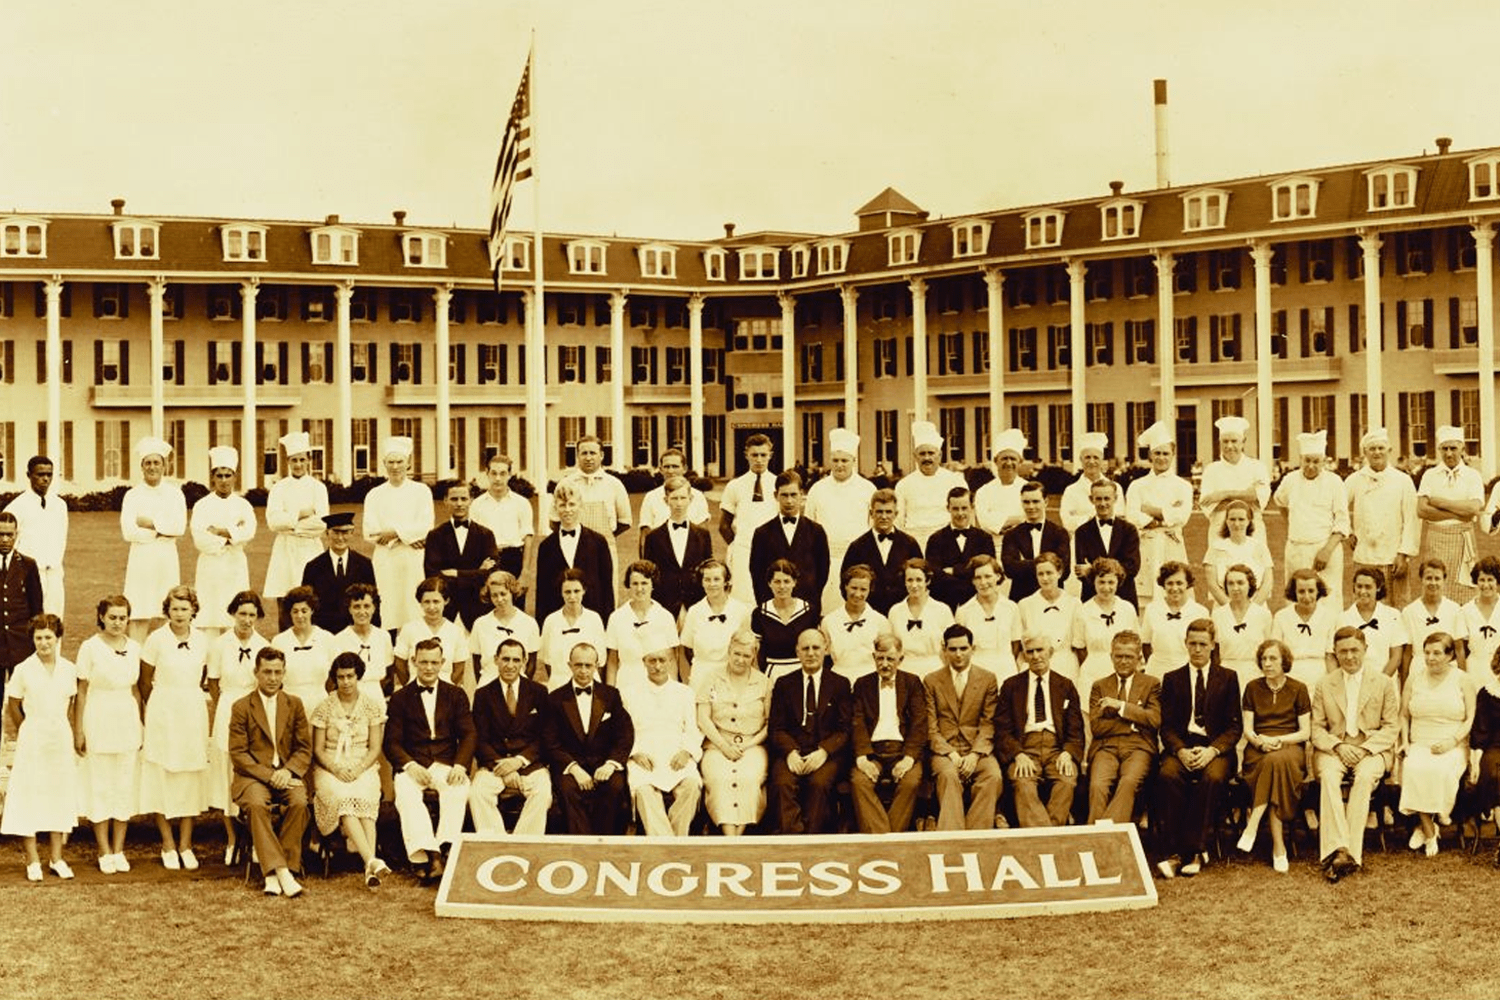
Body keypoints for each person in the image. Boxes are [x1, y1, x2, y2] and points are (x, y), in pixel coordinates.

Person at [1312, 627, 1400, 882]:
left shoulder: (1383, 682)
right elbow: (1316, 728)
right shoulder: (1325, 684)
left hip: (1371, 749)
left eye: (1354, 650)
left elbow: (1391, 727)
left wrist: (1364, 749)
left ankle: (1348, 852)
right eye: (1343, 651)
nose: (1349, 656)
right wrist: (1338, 746)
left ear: (1365, 650)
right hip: (1335, 748)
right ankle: (1340, 849)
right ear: (1335, 653)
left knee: (1364, 778)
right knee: (1328, 776)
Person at [1155, 618, 1241, 878]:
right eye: (1192, 643)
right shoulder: (1172, 679)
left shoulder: (1228, 678)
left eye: (1203, 644)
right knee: (1168, 775)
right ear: (1185, 643)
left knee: (1212, 778)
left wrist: (1212, 751)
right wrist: (1180, 750)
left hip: (1215, 749)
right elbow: (1166, 727)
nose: (1197, 649)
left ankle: (1193, 851)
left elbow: (1234, 727)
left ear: (1213, 645)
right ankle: (1174, 852)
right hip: (1183, 746)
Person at [384, 638, 475, 882]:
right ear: (414, 662)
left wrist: (460, 765)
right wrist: (409, 765)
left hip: (446, 763)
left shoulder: (456, 694)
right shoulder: (400, 698)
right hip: (413, 764)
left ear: (442, 663)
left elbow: (469, 734)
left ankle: (445, 848)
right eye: (423, 662)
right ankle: (427, 855)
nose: (428, 668)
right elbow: (391, 742)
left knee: (458, 789)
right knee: (407, 795)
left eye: (434, 662)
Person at [229, 647, 313, 898]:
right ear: (256, 672)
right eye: (267, 672)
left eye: (278, 672)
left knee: (299, 802)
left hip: (287, 774)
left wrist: (288, 772)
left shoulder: (294, 704)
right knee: (256, 804)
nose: (273, 678)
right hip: (253, 777)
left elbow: (304, 748)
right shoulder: (242, 707)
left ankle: (276, 870)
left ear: (284, 672)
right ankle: (281, 872)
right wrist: (269, 776)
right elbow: (239, 754)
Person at [1, 613, 79, 882]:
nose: (44, 643)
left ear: (58, 638)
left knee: (59, 793)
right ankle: (32, 859)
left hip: (60, 737)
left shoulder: (68, 669)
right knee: (29, 794)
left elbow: (71, 704)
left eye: (48, 637)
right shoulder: (24, 669)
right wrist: (28, 728)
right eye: (38, 638)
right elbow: (13, 704)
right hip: (32, 738)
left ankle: (57, 858)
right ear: (32, 640)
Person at [138, 585, 210, 871]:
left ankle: (186, 844)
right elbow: (144, 682)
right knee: (161, 773)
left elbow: (202, 676)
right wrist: (159, 708)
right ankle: (167, 842)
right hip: (163, 711)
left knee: (189, 774)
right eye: (174, 608)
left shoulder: (202, 640)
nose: (179, 614)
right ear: (166, 610)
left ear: (193, 611)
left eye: (184, 608)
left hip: (192, 711)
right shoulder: (155, 639)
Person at [310, 652, 389, 886]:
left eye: (350, 676)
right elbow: (318, 749)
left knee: (365, 797)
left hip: (362, 766)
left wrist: (359, 768)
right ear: (334, 678)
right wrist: (336, 769)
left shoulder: (371, 706)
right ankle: (371, 861)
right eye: (340, 677)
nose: (345, 682)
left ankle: (369, 866)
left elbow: (375, 748)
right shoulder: (324, 707)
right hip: (330, 768)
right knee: (343, 797)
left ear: (358, 676)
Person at [74, 595, 141, 873]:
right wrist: (79, 729)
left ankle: (119, 849)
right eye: (112, 617)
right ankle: (103, 850)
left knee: (123, 783)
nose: (117, 622)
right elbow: (81, 691)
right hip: (98, 715)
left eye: (122, 618)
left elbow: (136, 690)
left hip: (126, 717)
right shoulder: (89, 647)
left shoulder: (135, 648)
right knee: (100, 784)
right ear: (101, 617)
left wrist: (140, 724)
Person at [1236, 638, 1311, 873]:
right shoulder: (1252, 688)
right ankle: (1279, 847)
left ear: (1284, 661)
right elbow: (1248, 729)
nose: (1267, 663)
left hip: (1290, 747)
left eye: (1273, 658)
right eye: (1263, 659)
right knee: (1273, 764)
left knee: (1276, 761)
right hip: (1258, 750)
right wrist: (1260, 742)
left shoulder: (1299, 689)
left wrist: (1280, 740)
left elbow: (1305, 732)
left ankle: (1253, 824)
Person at [1398, 632, 1476, 856]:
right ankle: (1430, 830)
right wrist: (1405, 742)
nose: (1430, 658)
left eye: (1437, 653)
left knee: (1440, 770)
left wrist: (1453, 741)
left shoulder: (1463, 679)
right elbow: (1403, 715)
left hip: (1453, 743)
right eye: (1427, 653)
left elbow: (1470, 717)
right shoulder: (1414, 678)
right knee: (1413, 767)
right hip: (1420, 742)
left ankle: (1427, 823)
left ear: (1450, 655)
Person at [543, 642, 634, 835]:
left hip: (604, 763)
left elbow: (624, 735)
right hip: (570, 764)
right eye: (578, 665)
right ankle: (582, 844)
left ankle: (604, 842)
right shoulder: (555, 698)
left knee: (614, 787)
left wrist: (610, 764)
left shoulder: (611, 695)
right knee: (568, 789)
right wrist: (574, 768)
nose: (583, 671)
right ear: (569, 665)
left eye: (588, 665)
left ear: (597, 666)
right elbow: (551, 742)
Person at [767, 629, 852, 835]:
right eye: (805, 648)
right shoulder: (784, 684)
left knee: (819, 783)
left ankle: (813, 838)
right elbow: (776, 728)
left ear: (826, 650)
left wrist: (824, 751)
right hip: (793, 751)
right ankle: (791, 838)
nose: (811, 653)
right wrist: (790, 752)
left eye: (816, 648)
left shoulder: (840, 684)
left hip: (826, 753)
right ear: (797, 652)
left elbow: (844, 730)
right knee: (782, 782)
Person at [996, 632, 1085, 828]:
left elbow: (1076, 728)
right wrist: (1017, 754)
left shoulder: (1065, 685)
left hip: (1056, 748)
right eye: (1030, 652)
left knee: (1067, 780)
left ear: (1050, 652)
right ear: (1024, 655)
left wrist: (1068, 753)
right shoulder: (1011, 686)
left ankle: (1043, 834)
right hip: (1025, 747)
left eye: (1040, 650)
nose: (1035, 656)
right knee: (1023, 781)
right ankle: (1049, 835)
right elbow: (1002, 729)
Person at [206, 591, 269, 864]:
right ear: (233, 614)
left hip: (255, 711)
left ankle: (255, 839)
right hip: (228, 710)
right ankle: (232, 840)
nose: (247, 620)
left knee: (254, 771)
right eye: (242, 614)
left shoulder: (263, 645)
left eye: (252, 615)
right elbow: (213, 683)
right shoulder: (219, 645)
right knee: (227, 772)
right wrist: (228, 707)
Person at [469, 638, 553, 836]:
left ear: (524, 662)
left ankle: (522, 844)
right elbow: (479, 739)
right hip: (494, 764)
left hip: (529, 764)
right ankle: (495, 843)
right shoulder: (483, 694)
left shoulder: (539, 692)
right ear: (496, 660)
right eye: (505, 659)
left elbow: (545, 736)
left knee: (542, 794)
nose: (510, 665)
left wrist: (519, 761)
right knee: (478, 793)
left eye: (516, 660)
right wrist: (501, 767)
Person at [925, 624, 1002, 831]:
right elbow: (931, 727)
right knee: (948, 776)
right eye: (952, 649)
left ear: (972, 649)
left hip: (976, 749)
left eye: (963, 648)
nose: (958, 654)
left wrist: (975, 755)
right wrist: (950, 753)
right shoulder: (931, 681)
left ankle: (976, 835)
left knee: (992, 775)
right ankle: (952, 836)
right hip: (945, 751)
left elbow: (988, 723)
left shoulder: (987, 679)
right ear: (944, 650)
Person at [849, 632, 928, 834]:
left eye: (890, 659)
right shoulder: (862, 684)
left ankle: (886, 836)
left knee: (911, 781)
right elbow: (857, 723)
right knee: (859, 781)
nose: (885, 664)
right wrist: (862, 758)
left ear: (900, 659)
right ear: (873, 657)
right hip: (872, 751)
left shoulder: (912, 682)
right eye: (880, 658)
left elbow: (919, 724)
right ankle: (884, 836)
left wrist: (909, 758)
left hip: (902, 751)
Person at [696, 631, 772, 836]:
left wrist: (747, 745)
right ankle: (732, 838)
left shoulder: (764, 682)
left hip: (752, 745)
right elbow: (703, 717)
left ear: (754, 656)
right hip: (716, 744)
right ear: (729, 651)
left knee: (749, 778)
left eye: (746, 655)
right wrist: (723, 746)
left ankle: (733, 841)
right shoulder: (711, 678)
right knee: (720, 778)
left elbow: (769, 724)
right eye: (737, 653)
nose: (740, 659)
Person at [623, 643, 703, 836]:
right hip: (644, 754)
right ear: (644, 662)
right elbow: (624, 731)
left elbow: (692, 729)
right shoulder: (629, 693)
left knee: (691, 786)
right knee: (644, 791)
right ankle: (670, 844)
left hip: (676, 753)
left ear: (670, 661)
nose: (657, 666)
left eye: (662, 660)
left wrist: (686, 752)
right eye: (652, 661)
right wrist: (635, 753)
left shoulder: (684, 692)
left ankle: (669, 841)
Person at [1086, 631, 1160, 824]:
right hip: (1106, 747)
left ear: (1139, 658)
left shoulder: (1151, 684)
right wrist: (1133, 723)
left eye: (1129, 656)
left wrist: (1121, 706)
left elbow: (1154, 720)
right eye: (1119, 656)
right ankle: (1102, 835)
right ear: (1111, 656)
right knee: (1097, 785)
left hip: (1139, 747)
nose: (1124, 661)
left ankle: (1103, 834)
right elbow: (1097, 727)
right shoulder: (1100, 686)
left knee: (1128, 782)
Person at [1273, 429, 1350, 609]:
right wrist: (1293, 524)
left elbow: (1342, 522)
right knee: (1296, 600)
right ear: (1301, 459)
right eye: (1307, 460)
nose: (1311, 466)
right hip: (1296, 549)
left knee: (1327, 601)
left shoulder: (1334, 482)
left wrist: (1326, 551)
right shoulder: (1290, 480)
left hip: (1325, 550)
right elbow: (1280, 502)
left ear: (1323, 461)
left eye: (1316, 461)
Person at [362, 436, 432, 632]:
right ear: (384, 463)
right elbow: (370, 531)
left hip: (413, 558)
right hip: (386, 558)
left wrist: (394, 533)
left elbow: (425, 526)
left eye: (399, 461)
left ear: (408, 463)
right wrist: (408, 537)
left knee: (413, 606)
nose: (395, 467)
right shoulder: (374, 494)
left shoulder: (421, 491)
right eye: (390, 462)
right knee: (387, 606)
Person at [120, 436, 186, 643]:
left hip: (166, 559)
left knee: (165, 612)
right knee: (139, 612)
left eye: (156, 462)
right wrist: (161, 531)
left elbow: (179, 528)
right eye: (147, 463)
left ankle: (163, 657)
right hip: (140, 560)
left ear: (164, 466)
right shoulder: (132, 495)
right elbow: (129, 531)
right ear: (142, 466)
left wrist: (150, 524)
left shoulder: (175, 494)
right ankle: (136, 656)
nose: (152, 467)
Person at [803, 428, 876, 612]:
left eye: (844, 460)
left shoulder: (867, 489)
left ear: (854, 461)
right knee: (827, 608)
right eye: (835, 460)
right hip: (825, 559)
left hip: (858, 559)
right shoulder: (818, 489)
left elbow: (873, 526)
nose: (840, 465)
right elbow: (808, 527)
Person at [262, 431, 329, 630]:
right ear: (288, 461)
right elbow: (273, 522)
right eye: (294, 460)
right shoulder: (279, 488)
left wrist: (290, 525)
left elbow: (321, 524)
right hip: (285, 550)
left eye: (301, 459)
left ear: (309, 460)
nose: (298, 464)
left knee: (312, 602)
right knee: (286, 603)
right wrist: (300, 514)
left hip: (310, 550)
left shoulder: (318, 488)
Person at [1346, 427, 1419, 608]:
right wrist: (1347, 531)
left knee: (1397, 606)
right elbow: (1337, 507)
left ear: (1389, 451)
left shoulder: (1403, 480)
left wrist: (1403, 554)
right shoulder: (1355, 479)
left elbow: (1412, 520)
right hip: (1365, 556)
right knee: (1365, 604)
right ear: (1365, 453)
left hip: (1393, 557)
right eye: (1372, 449)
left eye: (1381, 448)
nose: (1377, 453)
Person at [189, 446, 257, 636]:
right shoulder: (202, 505)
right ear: (213, 477)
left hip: (235, 565)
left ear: (235, 477)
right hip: (210, 566)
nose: (224, 480)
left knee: (235, 613)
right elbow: (200, 539)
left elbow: (249, 531)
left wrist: (219, 531)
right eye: (219, 476)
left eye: (228, 475)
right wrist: (233, 535)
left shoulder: (243, 505)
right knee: (210, 616)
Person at [1125, 421, 1192, 606]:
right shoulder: (1137, 486)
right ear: (1150, 455)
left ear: (1173, 455)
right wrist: (1165, 515)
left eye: (1166, 453)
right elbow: (1132, 515)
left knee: (1175, 590)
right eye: (1157, 453)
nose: (1161, 458)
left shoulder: (1183, 486)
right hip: (1146, 544)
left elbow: (1182, 516)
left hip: (1173, 543)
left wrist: (1149, 509)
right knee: (1145, 597)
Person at [1416, 425, 1484, 603]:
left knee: (1465, 592)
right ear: (1439, 450)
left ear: (1462, 448)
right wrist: (1458, 514)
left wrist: (1440, 502)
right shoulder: (1430, 475)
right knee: (1435, 588)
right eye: (1444, 449)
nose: (1449, 453)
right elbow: (1422, 510)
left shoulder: (1473, 476)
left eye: (1453, 448)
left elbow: (1473, 509)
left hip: (1463, 540)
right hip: (1436, 539)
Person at [533, 480, 614, 626]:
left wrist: (606, 624)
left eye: (572, 504)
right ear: (555, 508)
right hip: (557, 618)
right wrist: (542, 626)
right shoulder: (546, 546)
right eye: (562, 505)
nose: (567, 510)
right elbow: (542, 592)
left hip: (592, 616)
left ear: (580, 506)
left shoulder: (598, 542)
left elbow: (607, 588)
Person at [554, 434, 631, 586]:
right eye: (584, 453)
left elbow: (625, 521)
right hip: (572, 549)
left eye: (593, 453)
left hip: (605, 550)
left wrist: (602, 539)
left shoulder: (614, 485)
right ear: (577, 456)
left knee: (605, 589)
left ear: (601, 455)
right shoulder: (565, 483)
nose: (588, 458)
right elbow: (554, 521)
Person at [423, 480, 499, 630]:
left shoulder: (486, 535)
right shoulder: (435, 535)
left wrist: (456, 573)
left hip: (478, 607)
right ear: (445, 501)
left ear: (471, 500)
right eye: (454, 499)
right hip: (447, 609)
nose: (459, 504)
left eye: (464, 499)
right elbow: (432, 574)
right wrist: (478, 572)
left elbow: (491, 573)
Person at [749, 469, 830, 606]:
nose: (789, 501)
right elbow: (757, 574)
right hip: (773, 606)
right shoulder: (762, 533)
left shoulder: (816, 531)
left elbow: (822, 571)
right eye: (784, 495)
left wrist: (812, 602)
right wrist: (767, 606)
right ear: (776, 495)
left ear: (801, 495)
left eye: (793, 495)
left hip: (807, 605)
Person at [717, 433, 779, 608]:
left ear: (770, 455)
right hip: (743, 550)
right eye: (754, 455)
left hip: (772, 550)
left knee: (770, 595)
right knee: (742, 597)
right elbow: (724, 525)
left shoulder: (778, 483)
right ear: (746, 455)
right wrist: (738, 545)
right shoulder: (735, 485)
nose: (759, 460)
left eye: (763, 455)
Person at [841, 488, 923, 616]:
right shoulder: (857, 547)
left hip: (904, 613)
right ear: (871, 513)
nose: (884, 517)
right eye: (879, 512)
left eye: (888, 512)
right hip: (869, 615)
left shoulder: (910, 544)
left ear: (896, 514)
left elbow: (921, 579)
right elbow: (845, 584)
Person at [640, 475, 713, 618]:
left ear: (690, 499)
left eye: (683, 498)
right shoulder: (653, 537)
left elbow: (708, 568)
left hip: (696, 602)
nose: (679, 504)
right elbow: (649, 573)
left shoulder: (702, 535)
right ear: (666, 500)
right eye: (674, 498)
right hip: (664, 603)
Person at [3, 456, 67, 615]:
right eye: (40, 474)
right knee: (30, 620)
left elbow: (61, 540)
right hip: (28, 576)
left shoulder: (60, 505)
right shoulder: (16, 507)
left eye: (49, 474)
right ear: (29, 475)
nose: (45, 479)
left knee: (55, 621)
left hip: (54, 575)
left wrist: (56, 566)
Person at [1074, 558, 1142, 705]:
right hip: (1093, 674)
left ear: (1118, 582)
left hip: (1123, 673)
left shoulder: (1127, 608)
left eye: (1111, 582)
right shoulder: (1083, 611)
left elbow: (1137, 644)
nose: (1106, 587)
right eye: (1101, 582)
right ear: (1094, 582)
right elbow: (1080, 648)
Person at [604, 560, 679, 693]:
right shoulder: (616, 618)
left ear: (652, 584)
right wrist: (610, 694)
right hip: (626, 685)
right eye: (635, 583)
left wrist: (672, 690)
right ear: (629, 585)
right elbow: (612, 662)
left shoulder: (665, 617)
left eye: (644, 583)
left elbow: (672, 659)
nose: (639, 589)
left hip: (658, 687)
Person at [301, 512, 378, 635]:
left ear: (352, 533)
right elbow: (307, 605)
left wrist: (372, 634)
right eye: (336, 533)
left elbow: (373, 601)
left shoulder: (364, 565)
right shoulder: (313, 567)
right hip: (324, 634)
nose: (340, 538)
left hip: (356, 632)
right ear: (327, 533)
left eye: (345, 533)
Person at [1197, 415, 1271, 540]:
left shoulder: (1257, 467)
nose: (1229, 446)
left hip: (1253, 533)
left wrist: (1224, 495)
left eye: (1234, 441)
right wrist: (1245, 498)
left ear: (1243, 442)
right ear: (1220, 442)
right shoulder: (1211, 470)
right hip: (1220, 533)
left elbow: (1257, 498)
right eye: (1225, 441)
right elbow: (1208, 504)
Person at [677, 560, 752, 684]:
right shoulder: (694, 611)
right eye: (707, 579)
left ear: (725, 581)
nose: (712, 584)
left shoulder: (740, 610)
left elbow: (748, 649)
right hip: (701, 677)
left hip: (731, 677)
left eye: (717, 579)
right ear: (701, 582)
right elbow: (685, 650)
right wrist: (687, 682)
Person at [0, 511, 44, 718]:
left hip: (21, 645)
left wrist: (37, 644)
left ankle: (26, 738)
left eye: (9, 534)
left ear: (16, 534)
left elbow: (37, 610)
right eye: (0, 534)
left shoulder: (27, 565)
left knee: (26, 704)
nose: (5, 539)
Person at [895, 420, 965, 548]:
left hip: (947, 542)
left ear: (940, 455)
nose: (927, 458)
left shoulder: (955, 481)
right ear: (915, 456)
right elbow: (898, 521)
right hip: (915, 543)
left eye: (931, 453)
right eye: (922, 454)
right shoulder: (904, 485)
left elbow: (965, 516)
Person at [1072, 478, 1140, 607]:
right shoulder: (1082, 532)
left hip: (1124, 597)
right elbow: (1081, 572)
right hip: (1092, 599)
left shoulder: (1129, 530)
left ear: (1115, 499)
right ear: (1091, 499)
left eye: (1107, 498)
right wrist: (1116, 567)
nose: (1103, 503)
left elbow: (1132, 567)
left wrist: (1092, 569)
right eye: (1098, 499)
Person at [926, 486, 996, 611]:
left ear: (972, 507)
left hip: (978, 601)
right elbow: (935, 575)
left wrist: (954, 571)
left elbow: (988, 571)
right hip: (944, 602)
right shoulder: (935, 539)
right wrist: (969, 573)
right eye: (955, 509)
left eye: (964, 508)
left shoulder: (984, 538)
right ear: (948, 508)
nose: (960, 513)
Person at [750, 559, 821, 681]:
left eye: (786, 581)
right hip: (772, 674)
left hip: (803, 672)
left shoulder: (809, 611)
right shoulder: (760, 613)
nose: (782, 586)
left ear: (794, 582)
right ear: (769, 583)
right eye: (777, 581)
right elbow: (755, 651)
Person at [392, 577, 469, 690]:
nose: (431, 607)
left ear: (446, 601)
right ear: (421, 603)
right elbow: (399, 664)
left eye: (436, 601)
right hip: (415, 690)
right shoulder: (409, 629)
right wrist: (411, 688)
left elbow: (459, 668)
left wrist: (446, 690)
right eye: (427, 602)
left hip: (446, 691)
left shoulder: (456, 631)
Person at [468, 454, 534, 585]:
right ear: (487, 473)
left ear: (509, 475)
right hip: (487, 559)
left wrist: (525, 571)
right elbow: (472, 539)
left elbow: (528, 538)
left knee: (515, 596)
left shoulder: (522, 503)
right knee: (487, 597)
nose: (498, 478)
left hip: (513, 558)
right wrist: (478, 569)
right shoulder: (477, 505)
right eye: (494, 473)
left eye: (503, 473)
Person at [1000, 482, 1070, 603]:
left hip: (1053, 598)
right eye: (1026, 502)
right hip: (1021, 597)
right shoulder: (1011, 535)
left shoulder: (1060, 533)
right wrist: (1048, 565)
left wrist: (1024, 564)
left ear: (1046, 502)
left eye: (1035, 501)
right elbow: (1010, 570)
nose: (1031, 506)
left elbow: (1064, 571)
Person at [537, 570, 608, 691]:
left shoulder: (594, 619)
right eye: (567, 592)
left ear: (584, 590)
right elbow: (547, 662)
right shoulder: (551, 621)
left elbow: (600, 662)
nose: (572, 597)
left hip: (588, 685)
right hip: (558, 686)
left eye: (576, 591)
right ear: (561, 593)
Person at [469, 570, 540, 690]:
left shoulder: (529, 623)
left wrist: (521, 687)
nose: (499, 599)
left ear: (512, 592)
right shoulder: (480, 624)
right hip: (488, 685)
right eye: (494, 595)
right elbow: (476, 663)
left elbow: (532, 663)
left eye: (503, 594)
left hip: (518, 687)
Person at [1016, 553, 1081, 683]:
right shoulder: (1025, 605)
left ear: (1059, 573)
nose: (1045, 578)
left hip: (1067, 666)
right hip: (1036, 666)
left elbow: (1079, 644)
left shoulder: (1074, 603)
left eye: (1049, 573)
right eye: (1040, 574)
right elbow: (1020, 646)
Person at [1400, 559, 1469, 681]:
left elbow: (1459, 649)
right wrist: (1404, 683)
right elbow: (1407, 653)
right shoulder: (1409, 611)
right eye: (1428, 578)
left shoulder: (1454, 609)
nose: (1433, 582)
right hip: (1419, 670)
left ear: (1444, 580)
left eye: (1437, 578)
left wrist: (1463, 681)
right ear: (1421, 579)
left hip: (1448, 671)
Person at [886, 558, 956, 678]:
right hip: (904, 671)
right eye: (910, 580)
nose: (914, 585)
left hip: (935, 670)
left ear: (927, 581)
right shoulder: (895, 611)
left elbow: (951, 645)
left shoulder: (942, 610)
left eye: (919, 580)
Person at [1211, 566, 1274, 694]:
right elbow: (1214, 652)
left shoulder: (1263, 614)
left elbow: (1269, 650)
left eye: (1240, 583)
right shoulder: (1218, 615)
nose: (1235, 588)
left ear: (1250, 585)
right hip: (1226, 675)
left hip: (1255, 674)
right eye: (1230, 583)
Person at [275, 585, 340, 709]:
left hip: (320, 703)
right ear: (290, 613)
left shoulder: (327, 639)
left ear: (312, 611)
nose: (300, 616)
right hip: (289, 704)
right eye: (295, 611)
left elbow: (336, 675)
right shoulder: (279, 641)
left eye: (304, 611)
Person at [955, 554, 1021, 676]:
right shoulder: (964, 611)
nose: (983, 582)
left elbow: (1015, 644)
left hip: (1006, 670)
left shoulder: (1011, 608)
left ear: (998, 576)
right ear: (973, 581)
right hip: (976, 672)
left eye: (988, 576)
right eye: (978, 578)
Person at [1140, 562, 1210, 675]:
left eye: (1179, 583)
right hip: (1157, 670)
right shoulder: (1152, 609)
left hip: (1187, 672)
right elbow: (1146, 644)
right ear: (1163, 585)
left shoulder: (1200, 612)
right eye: (1170, 583)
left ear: (1187, 584)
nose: (1174, 588)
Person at [329, 583, 395, 704]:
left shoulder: (383, 637)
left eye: (366, 606)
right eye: (356, 607)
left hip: (377, 699)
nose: (362, 611)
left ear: (374, 608)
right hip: (349, 701)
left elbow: (387, 675)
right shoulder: (339, 640)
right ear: (350, 609)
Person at [1201, 499, 1274, 607]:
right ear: (1226, 521)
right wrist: (1231, 609)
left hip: (1257, 607)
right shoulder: (1215, 548)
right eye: (1232, 519)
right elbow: (1213, 585)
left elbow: (1267, 583)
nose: (1236, 524)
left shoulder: (1260, 547)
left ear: (1249, 521)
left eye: (1241, 519)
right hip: (1224, 607)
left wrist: (1252, 609)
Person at [1338, 566, 1407, 678]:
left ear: (1378, 588)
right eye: (1359, 586)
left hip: (1385, 680)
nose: (1362, 591)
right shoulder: (1343, 618)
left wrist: (1379, 683)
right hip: (1352, 680)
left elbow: (1396, 657)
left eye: (1368, 587)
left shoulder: (1393, 615)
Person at [823, 565, 889, 683]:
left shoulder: (880, 621)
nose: (858, 594)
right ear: (845, 586)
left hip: (871, 680)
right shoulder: (829, 621)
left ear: (870, 590)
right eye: (854, 588)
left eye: (863, 589)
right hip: (838, 679)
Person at [1058, 432, 1124, 540]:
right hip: (1081, 541)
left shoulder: (1115, 488)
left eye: (1096, 457)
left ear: (1102, 460)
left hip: (1109, 540)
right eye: (1087, 457)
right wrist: (1095, 517)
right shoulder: (1071, 490)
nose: (1091, 461)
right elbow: (1067, 522)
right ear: (1081, 460)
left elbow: (1120, 517)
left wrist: (1085, 517)